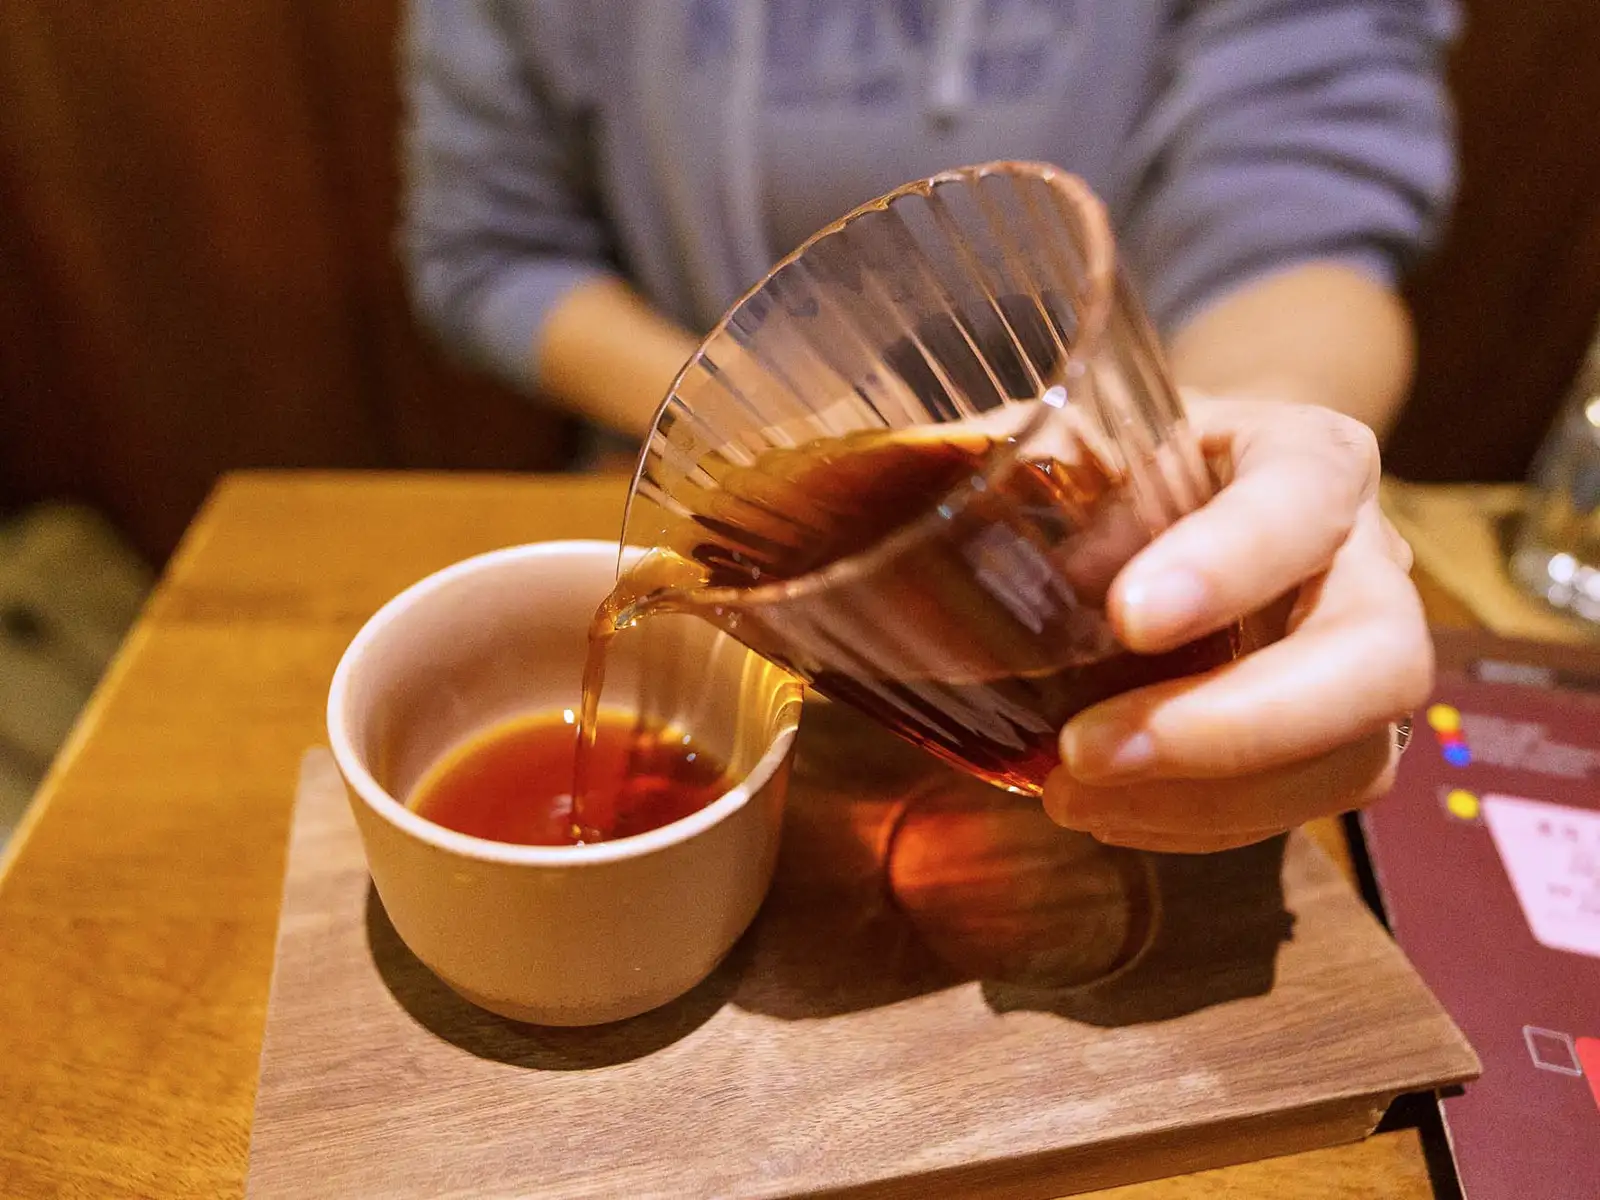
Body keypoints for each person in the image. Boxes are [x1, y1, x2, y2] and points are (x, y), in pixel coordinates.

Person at [400, 0, 1456, 851]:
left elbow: (1301, 216)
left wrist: (1261, 445)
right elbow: (486, 247)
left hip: (1086, 516)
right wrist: (772, 429)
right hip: (737, 543)